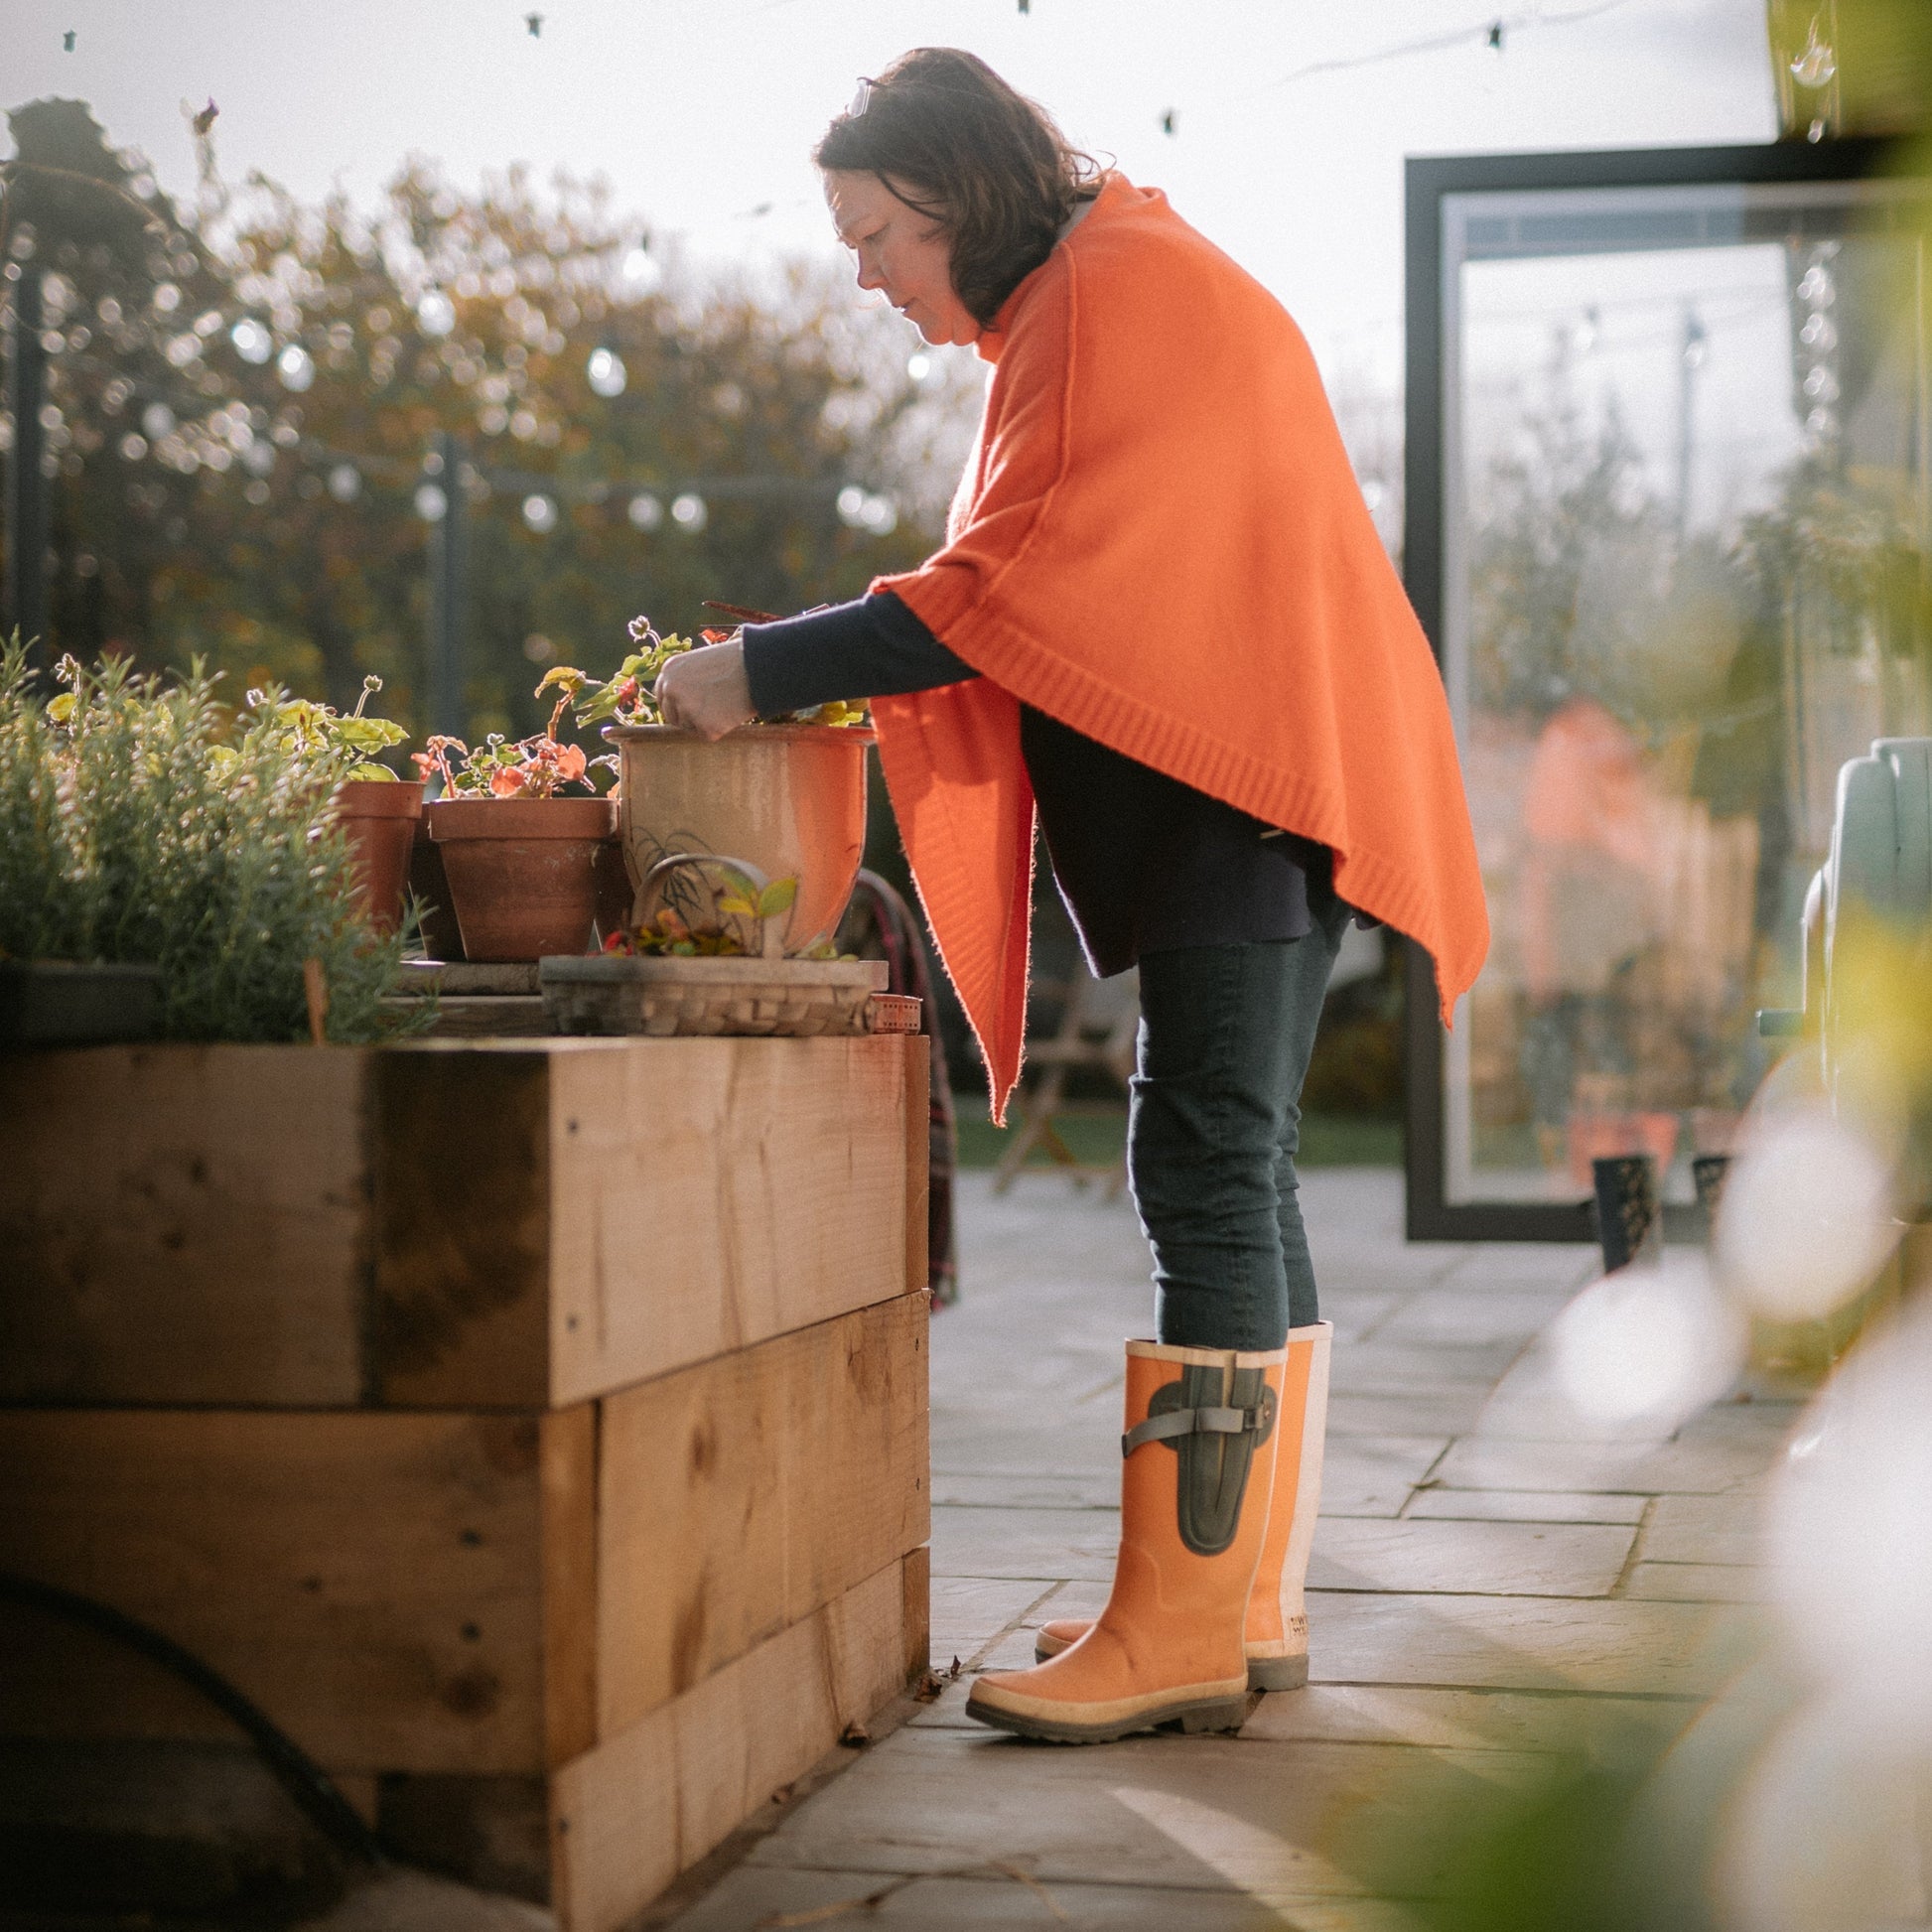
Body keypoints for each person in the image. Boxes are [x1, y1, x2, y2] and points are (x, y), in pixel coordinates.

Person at [655, 47, 1488, 1744]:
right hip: (1258, 785)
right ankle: (1240, 1601)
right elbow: (1034, 584)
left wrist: (760, 668)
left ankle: (1184, 1621)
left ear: (954, 194)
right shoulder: (1098, 284)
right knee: (1238, 1165)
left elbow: (1000, 588)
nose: (865, 275)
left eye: (872, 233)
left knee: (1195, 1157)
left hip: (1239, 795)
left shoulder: (1105, 299)